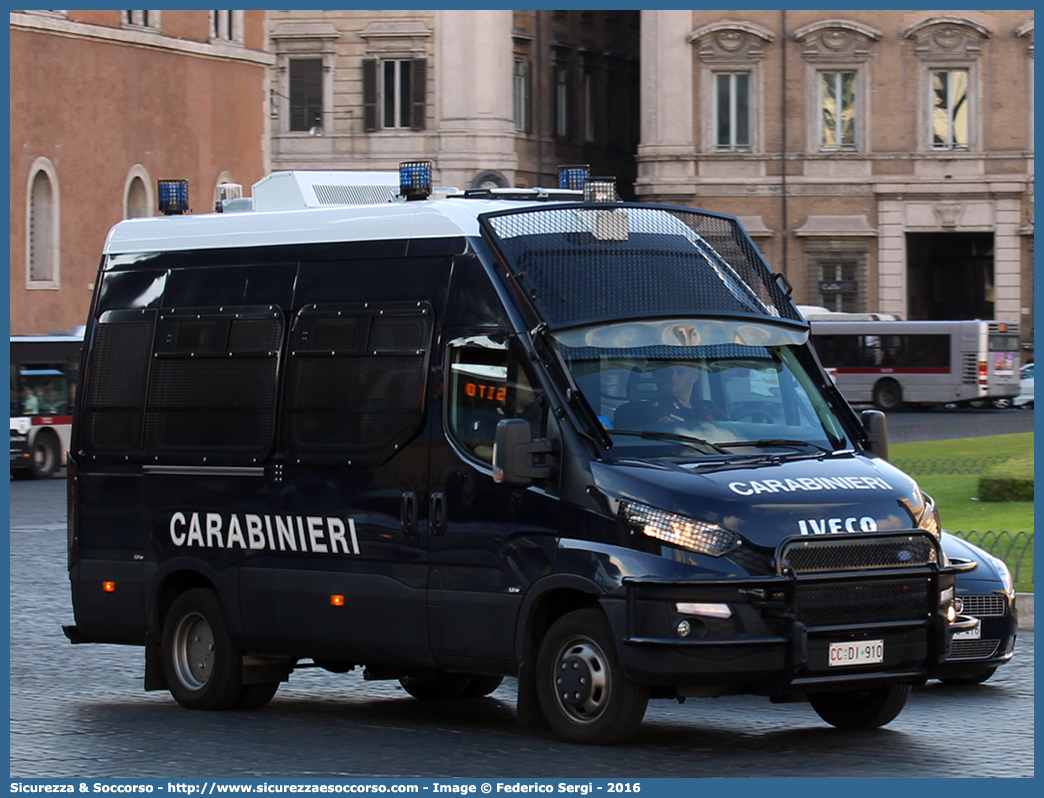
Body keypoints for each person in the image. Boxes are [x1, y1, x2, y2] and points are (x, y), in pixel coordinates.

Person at [651, 364, 721, 424]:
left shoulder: (708, 407)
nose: (672, 378)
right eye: (670, 372)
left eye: (679, 373)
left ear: (694, 377)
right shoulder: (657, 406)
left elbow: (728, 426)